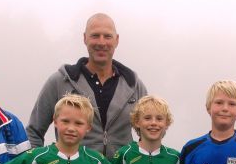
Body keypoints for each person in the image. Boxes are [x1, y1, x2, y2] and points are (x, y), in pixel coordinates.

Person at [25, 13, 148, 156]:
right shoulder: (60, 81)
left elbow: (151, 132)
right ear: (85, 38)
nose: (101, 42)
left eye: (107, 36)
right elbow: (33, 132)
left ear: (117, 40)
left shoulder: (134, 85)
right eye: (95, 36)